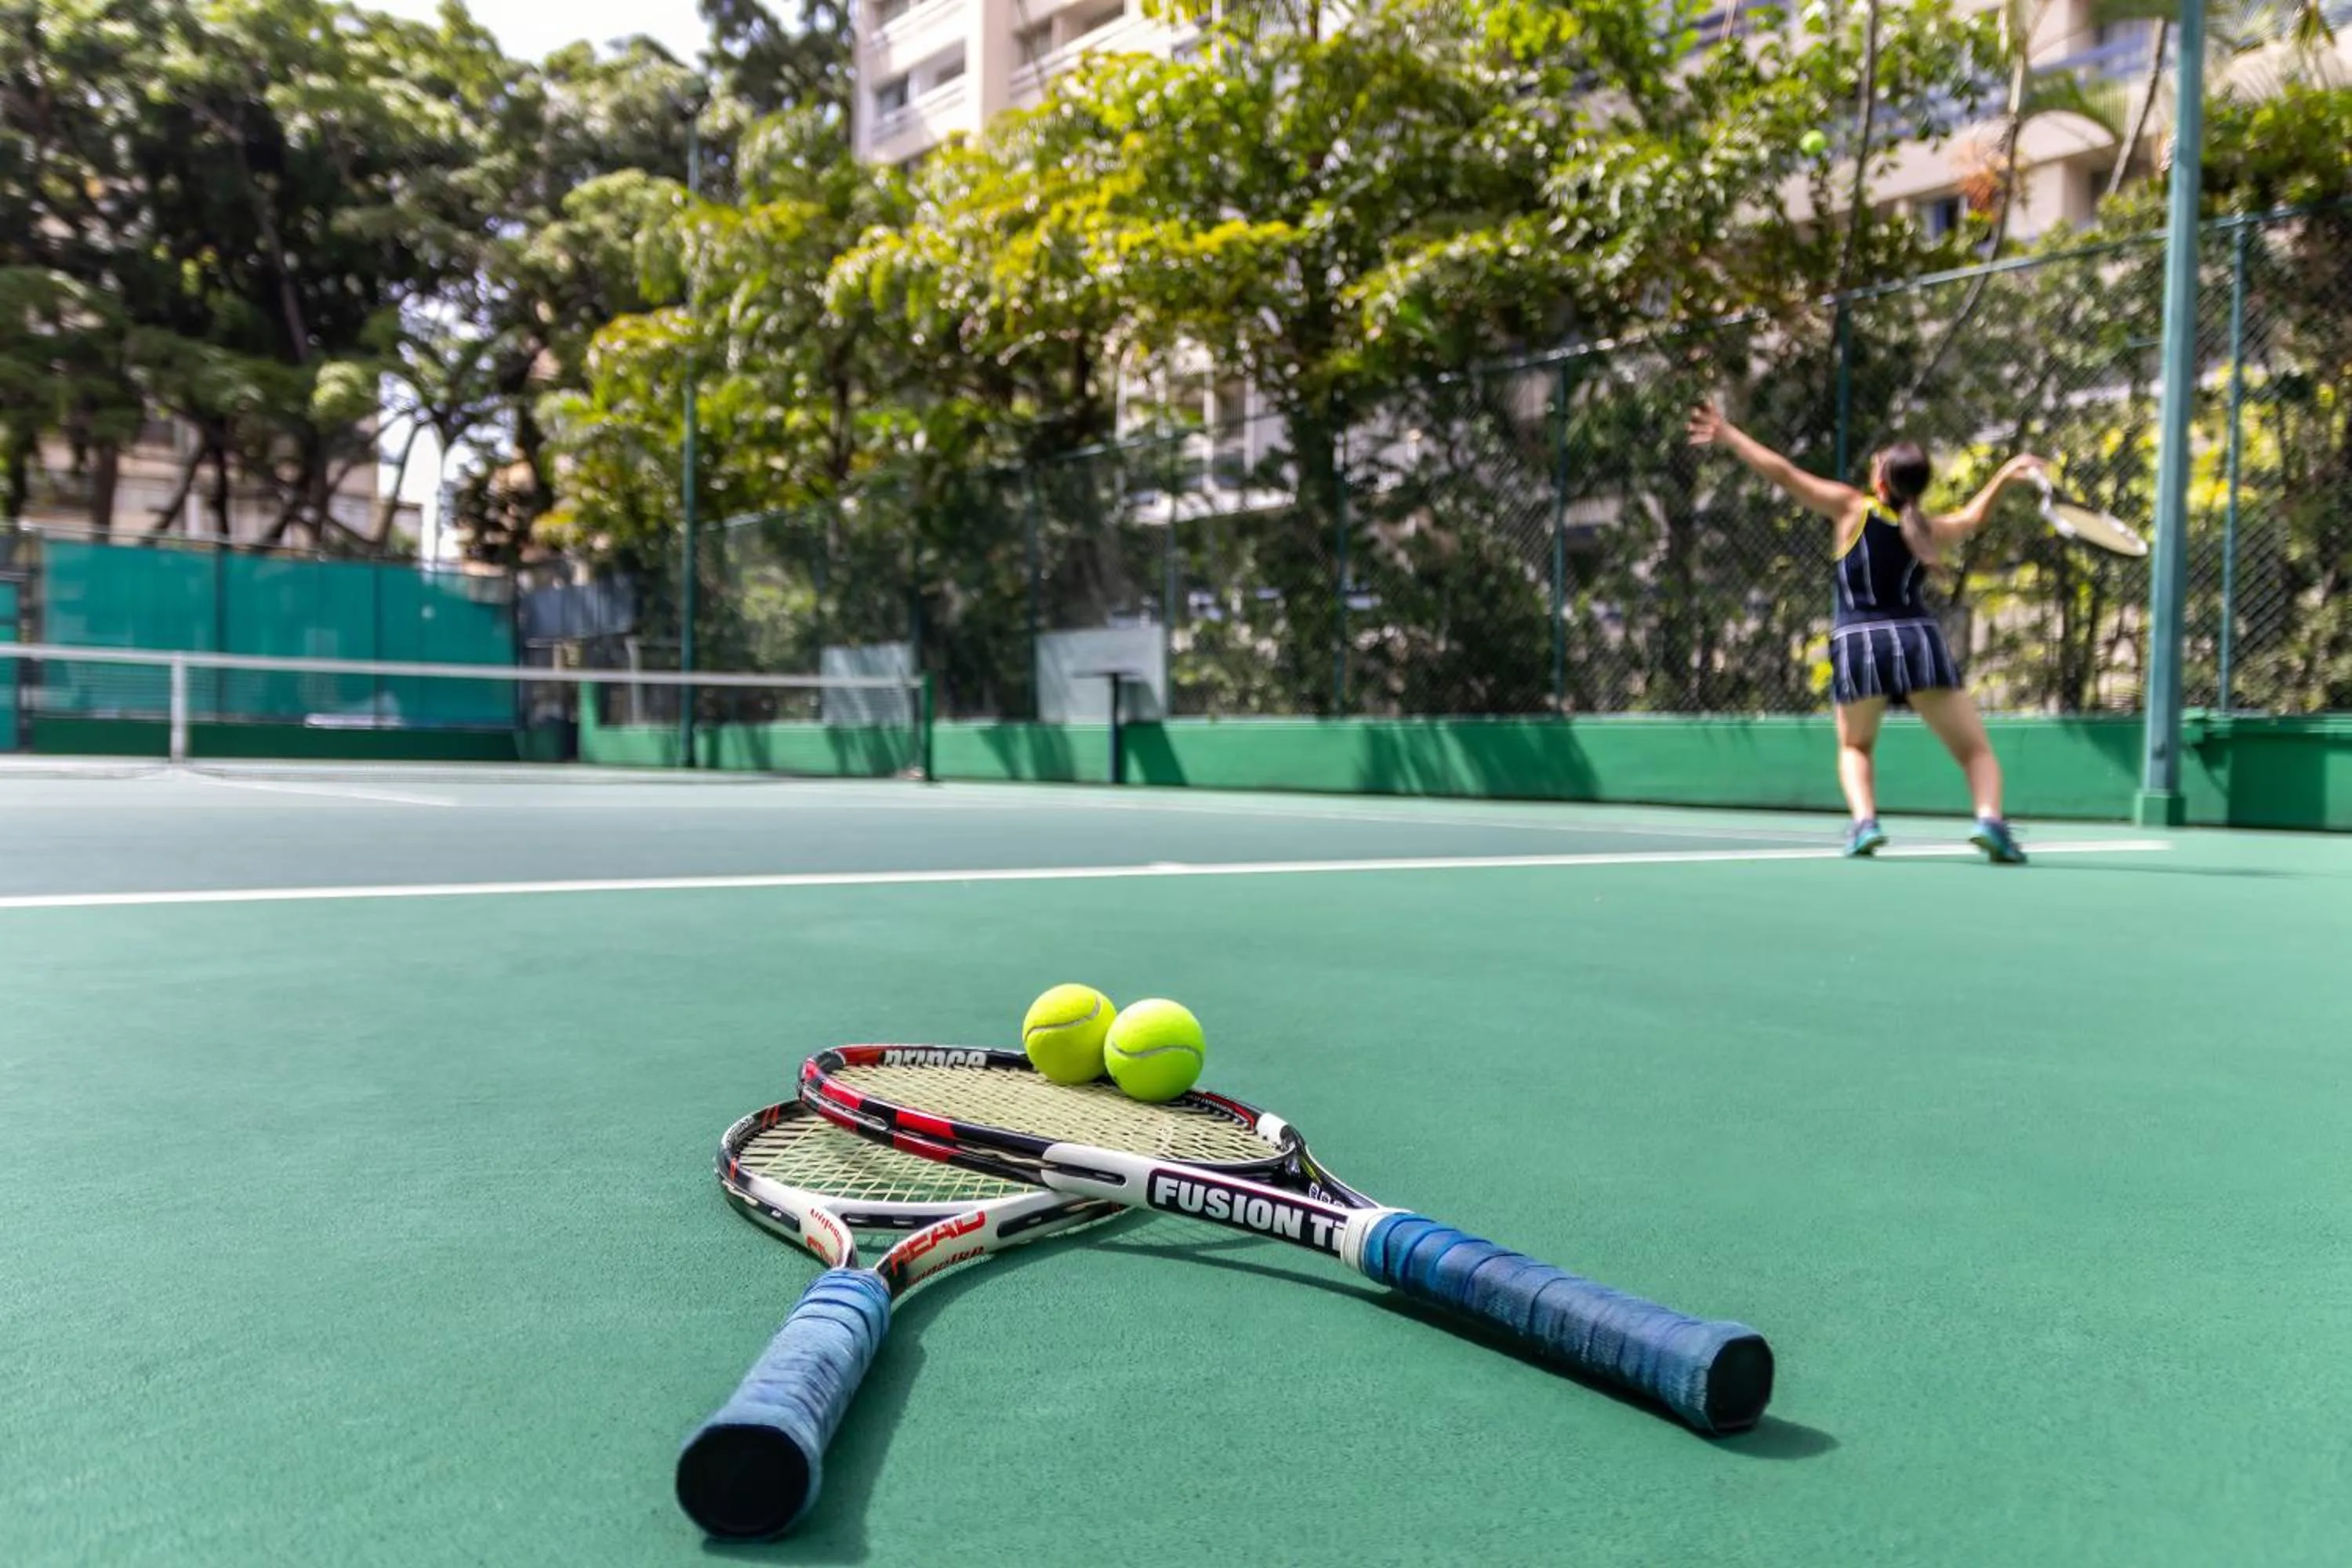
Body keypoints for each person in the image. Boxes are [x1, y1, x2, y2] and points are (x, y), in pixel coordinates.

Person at [1686, 400, 2045, 863]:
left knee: (1856, 745)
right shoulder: (1925, 528)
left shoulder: (1852, 509)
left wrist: (1729, 434)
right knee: (1975, 751)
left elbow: (1785, 474)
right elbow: (1973, 520)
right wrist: (2003, 476)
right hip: (1918, 641)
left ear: (1880, 480)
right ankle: (1990, 820)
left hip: (1859, 642)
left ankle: (1865, 824)